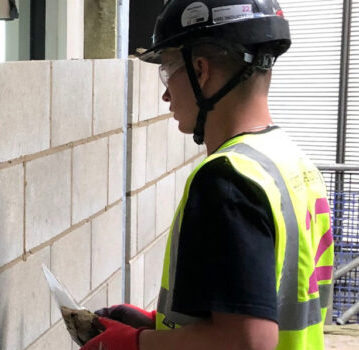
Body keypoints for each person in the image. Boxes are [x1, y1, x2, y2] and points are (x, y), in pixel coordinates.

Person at [81, 1, 335, 349]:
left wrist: (135, 343)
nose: (166, 93)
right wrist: (162, 326)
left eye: (169, 69)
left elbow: (249, 340)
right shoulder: (291, 162)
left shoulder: (228, 180)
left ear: (200, 71)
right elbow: (260, 303)